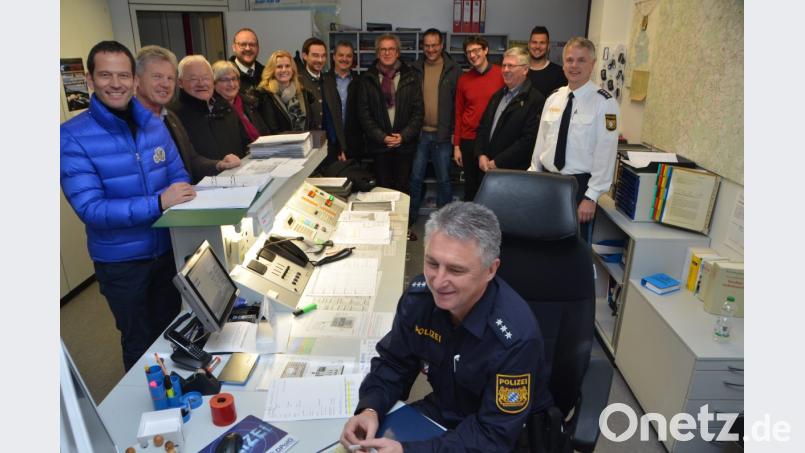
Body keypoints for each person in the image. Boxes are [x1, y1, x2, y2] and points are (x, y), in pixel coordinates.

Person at [340, 201, 552, 452]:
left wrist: (409, 451)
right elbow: (394, 362)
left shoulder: (515, 337)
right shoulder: (420, 300)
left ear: (490, 270)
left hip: (503, 435)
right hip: (443, 414)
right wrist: (370, 407)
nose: (438, 282)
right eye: (432, 263)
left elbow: (493, 435)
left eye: (456, 270)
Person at [60, 41, 195, 371]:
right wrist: (158, 202)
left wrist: (175, 196)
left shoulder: (153, 124)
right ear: (91, 79)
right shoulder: (71, 136)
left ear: (135, 80)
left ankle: (175, 403)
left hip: (166, 251)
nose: (116, 83)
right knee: (138, 342)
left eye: (123, 75)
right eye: (105, 75)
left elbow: (178, 176)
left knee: (170, 332)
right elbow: (92, 210)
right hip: (122, 264)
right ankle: (149, 412)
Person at [530, 37, 620, 240]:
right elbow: (541, 144)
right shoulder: (553, 98)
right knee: (541, 242)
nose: (574, 66)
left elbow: (605, 152)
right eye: (570, 60)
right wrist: (533, 176)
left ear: (593, 65)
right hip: (546, 183)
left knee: (572, 249)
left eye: (581, 60)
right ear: (563, 64)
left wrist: (592, 196)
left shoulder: (604, 103)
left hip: (578, 188)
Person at [134, 46, 241, 184]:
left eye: (170, 78)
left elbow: (191, 160)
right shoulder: (125, 124)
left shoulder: (170, 118)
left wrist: (219, 165)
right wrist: (160, 201)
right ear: (136, 80)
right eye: (157, 76)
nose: (165, 84)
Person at [358, 34, 424, 194]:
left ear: (397, 53)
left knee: (403, 188)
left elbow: (418, 111)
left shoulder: (411, 77)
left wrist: (403, 136)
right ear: (377, 53)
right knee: (383, 189)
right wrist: (382, 137)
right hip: (380, 146)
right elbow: (364, 114)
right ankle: (385, 220)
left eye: (391, 49)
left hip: (404, 145)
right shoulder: (367, 79)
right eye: (383, 49)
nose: (387, 53)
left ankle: (402, 219)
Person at [408, 28, 461, 228]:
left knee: (444, 180)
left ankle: (444, 224)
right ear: (423, 46)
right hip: (420, 134)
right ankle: (411, 218)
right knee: (415, 178)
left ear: (441, 45)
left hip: (443, 135)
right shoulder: (414, 68)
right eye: (427, 45)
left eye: (434, 45)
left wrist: (456, 135)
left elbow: (458, 104)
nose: (431, 49)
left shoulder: (453, 69)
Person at [474, 47, 545, 174]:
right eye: (504, 65)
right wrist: (481, 154)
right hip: (488, 168)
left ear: (525, 69)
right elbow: (483, 127)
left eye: (511, 66)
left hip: (513, 173)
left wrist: (497, 162)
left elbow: (528, 141)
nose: (505, 70)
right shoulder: (497, 96)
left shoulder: (535, 100)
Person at [170, 55, 250, 161]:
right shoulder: (173, 115)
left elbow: (245, 144)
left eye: (206, 78)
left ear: (212, 80)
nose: (201, 83)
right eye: (193, 79)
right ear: (180, 83)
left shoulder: (226, 108)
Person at [453, 36, 504, 201]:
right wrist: (457, 146)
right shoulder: (463, 80)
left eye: (476, 50)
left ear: (486, 50)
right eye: (469, 52)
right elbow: (459, 113)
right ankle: (470, 224)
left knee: (490, 186)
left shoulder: (501, 74)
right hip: (468, 140)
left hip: (491, 140)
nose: (472, 55)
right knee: (471, 186)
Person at [321, 40, 365, 164]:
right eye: (341, 55)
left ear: (353, 59)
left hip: (355, 145)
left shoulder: (360, 81)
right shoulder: (323, 81)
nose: (344, 59)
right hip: (330, 145)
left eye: (348, 56)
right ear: (334, 57)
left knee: (354, 181)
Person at [255, 50, 315, 133]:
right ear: (272, 70)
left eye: (287, 66)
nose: (284, 70)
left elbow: (311, 124)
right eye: (279, 67)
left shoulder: (302, 92)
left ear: (292, 69)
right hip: (277, 145)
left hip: (304, 144)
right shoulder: (264, 95)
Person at [212, 60, 269, 141]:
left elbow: (265, 133)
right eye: (225, 80)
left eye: (234, 79)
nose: (231, 84)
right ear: (214, 84)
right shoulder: (214, 110)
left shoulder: (249, 104)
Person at [527, 26, 567, 98]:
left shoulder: (560, 73)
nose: (537, 46)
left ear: (548, 46)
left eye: (542, 43)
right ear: (529, 45)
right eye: (534, 42)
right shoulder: (520, 71)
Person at [298, 37, 328, 130]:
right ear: (305, 56)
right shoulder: (298, 81)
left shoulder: (329, 80)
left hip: (328, 139)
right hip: (307, 138)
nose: (320, 60)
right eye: (315, 55)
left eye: (323, 56)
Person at [229, 28, 264, 93]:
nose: (248, 48)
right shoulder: (224, 76)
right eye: (243, 44)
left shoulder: (266, 74)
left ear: (258, 48)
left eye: (252, 44)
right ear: (234, 47)